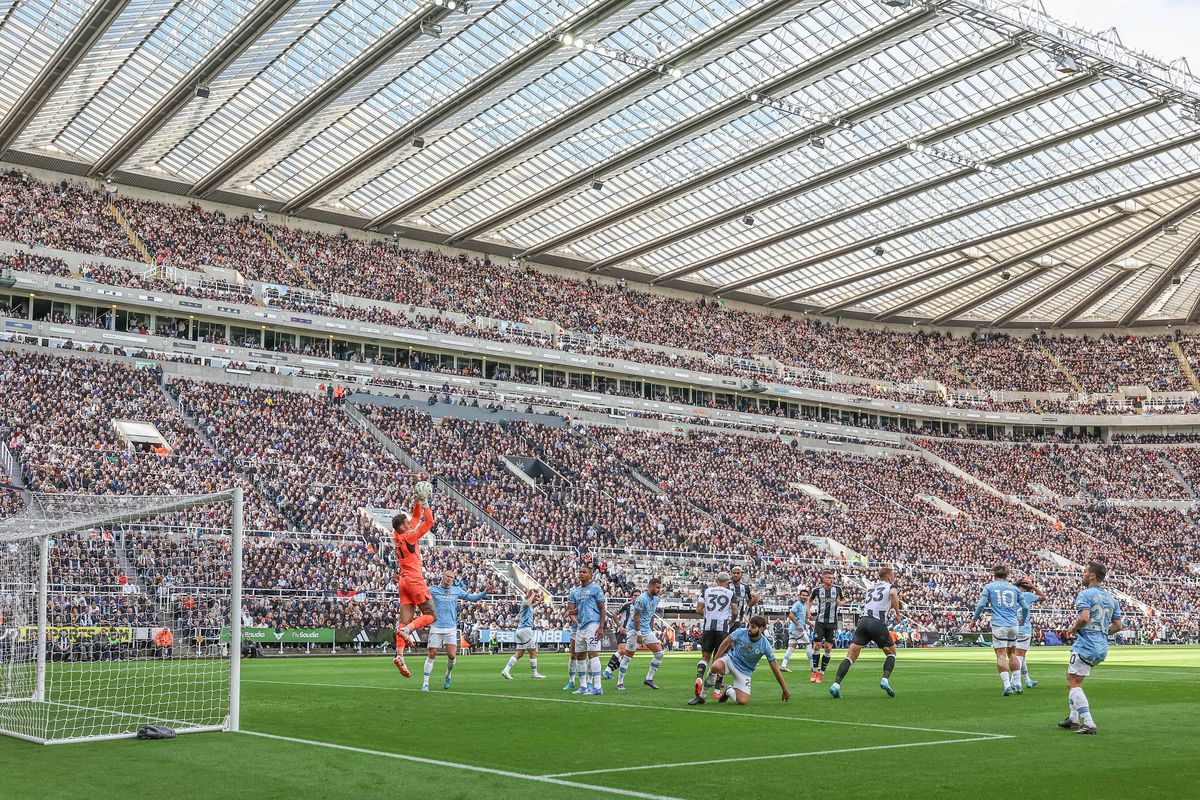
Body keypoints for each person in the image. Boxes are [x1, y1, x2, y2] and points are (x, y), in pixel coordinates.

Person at [1059, 562, 1123, 735]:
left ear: (1092, 575)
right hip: (1101, 646)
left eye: (1085, 572)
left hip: (1086, 644)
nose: (1083, 574)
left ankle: (1088, 722)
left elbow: (1084, 618)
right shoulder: (1111, 599)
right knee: (1071, 677)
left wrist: (1073, 629)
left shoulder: (1085, 594)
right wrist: (1102, 633)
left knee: (1074, 683)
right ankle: (1073, 718)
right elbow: (1118, 626)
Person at [829, 567, 903, 699]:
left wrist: (894, 604)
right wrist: (897, 614)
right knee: (891, 653)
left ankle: (836, 685)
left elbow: (879, 602)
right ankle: (885, 680)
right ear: (889, 577)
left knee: (850, 656)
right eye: (892, 576)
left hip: (863, 622)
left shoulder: (871, 587)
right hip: (877, 622)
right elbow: (892, 594)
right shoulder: (892, 586)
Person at [690, 615, 790, 706]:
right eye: (749, 626)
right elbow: (726, 641)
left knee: (742, 701)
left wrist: (784, 689)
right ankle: (702, 697)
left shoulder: (765, 645)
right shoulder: (741, 632)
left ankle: (729, 691)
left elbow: (775, 669)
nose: (749, 629)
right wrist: (716, 658)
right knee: (715, 666)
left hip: (745, 671)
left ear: (761, 629)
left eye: (753, 627)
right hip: (730, 660)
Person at [391, 489, 437, 678]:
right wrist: (425, 502)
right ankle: (408, 630)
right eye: (407, 523)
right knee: (431, 615)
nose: (410, 523)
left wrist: (416, 500)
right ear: (403, 527)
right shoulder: (409, 536)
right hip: (414, 581)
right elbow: (429, 522)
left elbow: (416, 517)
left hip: (403, 582)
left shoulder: (396, 536)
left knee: (404, 620)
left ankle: (399, 655)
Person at [423, 570, 488, 691]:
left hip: (450, 627)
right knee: (432, 654)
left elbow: (471, 598)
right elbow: (418, 592)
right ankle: (425, 683)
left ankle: (448, 674)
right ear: (442, 576)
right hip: (436, 626)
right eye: (447, 576)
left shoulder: (456, 590)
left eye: (451, 577)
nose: (449, 579)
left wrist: (485, 592)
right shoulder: (432, 589)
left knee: (452, 656)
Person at [972, 564, 1030, 696]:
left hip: (999, 625)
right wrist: (1022, 620)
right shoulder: (1014, 588)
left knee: (1001, 655)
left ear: (994, 574)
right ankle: (1018, 684)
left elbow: (981, 605)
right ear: (1007, 575)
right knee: (1012, 653)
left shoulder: (989, 587)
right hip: (1013, 625)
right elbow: (1025, 607)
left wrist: (974, 620)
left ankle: (1007, 685)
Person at [565, 565, 607, 696]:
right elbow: (580, 609)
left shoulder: (596, 589)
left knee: (593, 653)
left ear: (590, 575)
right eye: (580, 572)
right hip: (581, 626)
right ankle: (583, 686)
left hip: (593, 624)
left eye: (584, 572)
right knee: (580, 655)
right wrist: (571, 612)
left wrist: (601, 627)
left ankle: (598, 687)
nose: (581, 574)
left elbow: (602, 608)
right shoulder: (575, 591)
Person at [693, 572, 735, 696]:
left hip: (708, 627)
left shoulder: (706, 591)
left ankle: (699, 677)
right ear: (727, 582)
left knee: (705, 657)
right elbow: (735, 611)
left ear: (716, 580)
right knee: (721, 659)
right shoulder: (730, 593)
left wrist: (708, 616)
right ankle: (717, 690)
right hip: (722, 628)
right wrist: (731, 622)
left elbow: (698, 610)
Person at [620, 578, 664, 690]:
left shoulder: (656, 599)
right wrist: (639, 634)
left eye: (660, 588)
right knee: (627, 658)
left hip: (646, 630)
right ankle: (620, 682)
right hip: (635, 631)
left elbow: (650, 615)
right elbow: (636, 618)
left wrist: (650, 630)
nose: (659, 590)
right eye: (657, 587)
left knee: (659, 653)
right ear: (650, 586)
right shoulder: (642, 599)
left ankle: (649, 678)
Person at [502, 589, 547, 680]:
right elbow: (527, 604)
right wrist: (533, 595)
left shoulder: (529, 605)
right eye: (535, 596)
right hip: (526, 630)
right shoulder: (525, 602)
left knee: (520, 653)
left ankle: (506, 670)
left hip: (520, 630)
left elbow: (532, 605)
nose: (536, 597)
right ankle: (534, 673)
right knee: (533, 651)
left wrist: (539, 601)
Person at [809, 571, 843, 683]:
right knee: (817, 646)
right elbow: (810, 600)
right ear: (823, 579)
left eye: (832, 578)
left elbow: (844, 599)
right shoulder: (817, 590)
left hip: (832, 623)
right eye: (829, 578)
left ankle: (822, 673)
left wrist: (841, 603)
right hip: (820, 622)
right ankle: (815, 670)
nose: (831, 580)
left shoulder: (838, 589)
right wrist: (808, 611)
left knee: (828, 647)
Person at [1015, 576, 1047, 689]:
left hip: (1012, 628)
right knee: (1020, 656)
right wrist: (1033, 586)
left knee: (1020, 656)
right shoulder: (1027, 595)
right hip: (1024, 629)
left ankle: (1027, 680)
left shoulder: (1012, 595)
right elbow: (1043, 597)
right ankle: (1015, 682)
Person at [603, 589, 639, 685]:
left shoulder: (641, 608)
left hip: (633, 633)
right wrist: (620, 626)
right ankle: (607, 670)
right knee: (622, 650)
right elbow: (614, 614)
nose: (637, 597)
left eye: (638, 596)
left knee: (626, 656)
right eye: (635, 595)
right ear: (631, 597)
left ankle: (608, 671)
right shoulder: (627, 605)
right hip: (623, 631)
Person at [780, 589, 811, 673]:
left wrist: (811, 624)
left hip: (792, 629)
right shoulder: (797, 604)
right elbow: (791, 615)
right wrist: (798, 625)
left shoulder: (803, 606)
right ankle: (813, 666)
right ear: (799, 596)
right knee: (808, 645)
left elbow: (803, 619)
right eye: (803, 595)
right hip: (797, 629)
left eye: (806, 596)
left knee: (791, 647)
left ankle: (783, 665)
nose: (804, 597)